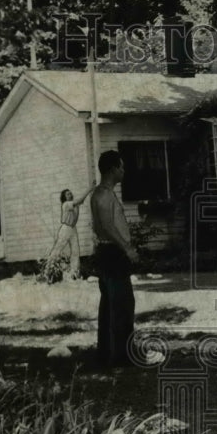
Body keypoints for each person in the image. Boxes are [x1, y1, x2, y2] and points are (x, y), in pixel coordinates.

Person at [90, 150, 138, 369]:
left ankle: (107, 353)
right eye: (121, 166)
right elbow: (108, 227)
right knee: (122, 305)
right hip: (113, 253)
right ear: (112, 169)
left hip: (106, 253)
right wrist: (127, 248)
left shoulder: (102, 193)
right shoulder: (104, 195)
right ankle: (122, 357)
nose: (124, 171)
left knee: (110, 304)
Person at [46, 186, 95, 279]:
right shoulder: (66, 204)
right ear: (65, 197)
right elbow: (80, 200)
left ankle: (75, 272)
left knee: (75, 251)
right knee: (58, 249)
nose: (70, 194)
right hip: (65, 228)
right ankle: (48, 270)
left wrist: (81, 201)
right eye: (67, 194)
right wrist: (89, 189)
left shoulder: (74, 204)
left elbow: (80, 202)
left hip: (73, 228)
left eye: (70, 193)